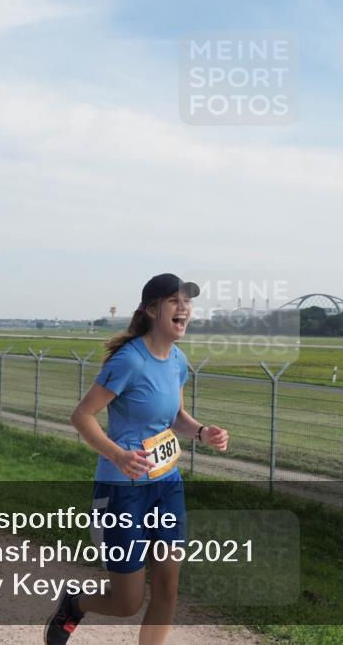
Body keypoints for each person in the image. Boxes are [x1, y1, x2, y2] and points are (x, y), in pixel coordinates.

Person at [45, 273, 229, 645]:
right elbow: (82, 416)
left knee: (167, 587)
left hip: (166, 486)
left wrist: (201, 431)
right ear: (151, 309)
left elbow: (174, 416)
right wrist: (118, 455)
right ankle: (75, 603)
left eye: (188, 302)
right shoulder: (129, 361)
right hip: (122, 490)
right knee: (128, 601)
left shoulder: (178, 360)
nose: (184, 308)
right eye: (175, 301)